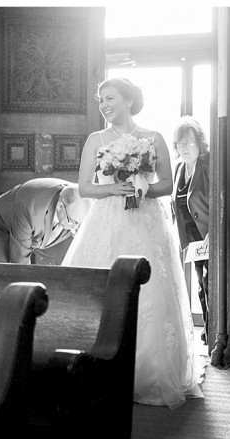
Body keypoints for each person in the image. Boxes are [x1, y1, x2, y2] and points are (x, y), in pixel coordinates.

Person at [62, 77, 203, 409]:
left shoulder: (152, 138)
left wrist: (143, 186)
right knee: (102, 289)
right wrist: (115, 188)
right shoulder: (96, 139)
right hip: (106, 220)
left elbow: (166, 184)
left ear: (128, 100)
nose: (104, 105)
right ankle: (96, 367)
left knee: (152, 292)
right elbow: (84, 187)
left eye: (109, 98)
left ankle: (149, 371)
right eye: (100, 100)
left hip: (147, 221)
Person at [0, 178, 90, 264]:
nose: (75, 228)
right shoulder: (29, 209)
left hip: (27, 231)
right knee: (0, 276)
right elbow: (19, 262)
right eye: (73, 222)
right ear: (60, 207)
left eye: (79, 223)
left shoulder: (76, 201)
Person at [170, 117, 211, 343]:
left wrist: (213, 233)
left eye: (189, 142)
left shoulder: (208, 166)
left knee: (209, 283)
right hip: (192, 239)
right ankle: (207, 330)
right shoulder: (178, 169)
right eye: (179, 143)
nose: (184, 147)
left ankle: (212, 332)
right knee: (200, 285)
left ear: (199, 142)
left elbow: (218, 201)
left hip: (208, 236)